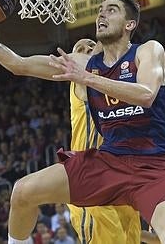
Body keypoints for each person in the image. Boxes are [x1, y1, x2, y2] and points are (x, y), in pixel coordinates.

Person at [0, 0, 165, 243]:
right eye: (100, 11)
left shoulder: (148, 50)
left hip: (153, 166)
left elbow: (145, 95)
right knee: (22, 191)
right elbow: (18, 64)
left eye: (110, 10)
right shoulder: (84, 64)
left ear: (130, 24)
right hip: (109, 162)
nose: (101, 15)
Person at [66, 38, 140, 244]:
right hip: (89, 176)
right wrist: (116, 24)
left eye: (90, 46)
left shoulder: (117, 82)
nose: (88, 50)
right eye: (80, 49)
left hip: (122, 175)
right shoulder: (80, 81)